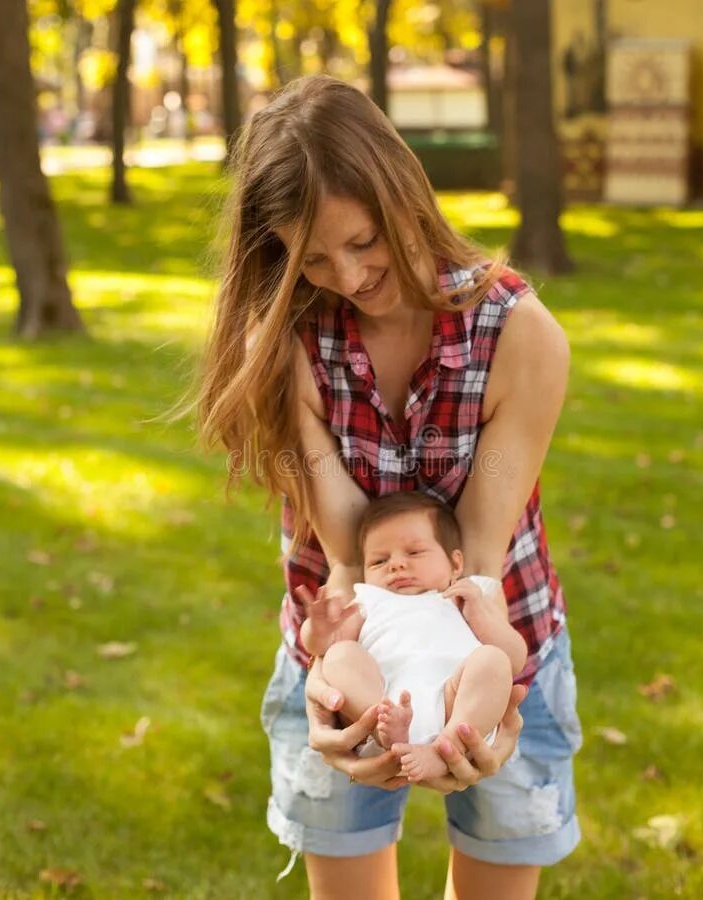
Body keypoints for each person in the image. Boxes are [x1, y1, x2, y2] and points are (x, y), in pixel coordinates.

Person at [196, 73, 582, 900]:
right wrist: (333, 686)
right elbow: (342, 550)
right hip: (350, 636)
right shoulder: (286, 339)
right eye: (313, 257)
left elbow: (477, 555)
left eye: (363, 240)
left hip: (498, 632)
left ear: (404, 194)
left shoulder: (521, 336)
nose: (346, 275)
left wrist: (493, 706)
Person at [299, 491, 527, 783]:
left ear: (455, 564)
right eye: (379, 561)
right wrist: (318, 632)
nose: (395, 564)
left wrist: (479, 612)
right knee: (340, 655)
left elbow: (515, 659)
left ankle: (445, 747)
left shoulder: (463, 597)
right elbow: (324, 649)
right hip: (383, 701)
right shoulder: (368, 600)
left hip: (454, 704)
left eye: (414, 552)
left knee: (493, 661)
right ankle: (386, 729)